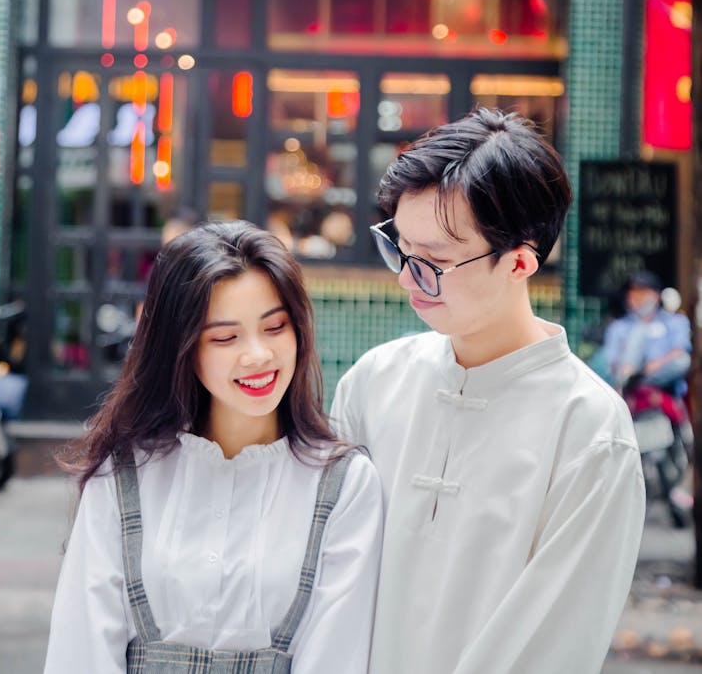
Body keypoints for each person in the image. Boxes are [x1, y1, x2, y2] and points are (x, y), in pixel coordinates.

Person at [331, 107, 645, 674]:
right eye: (399, 248)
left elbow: (554, 639)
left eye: (434, 262)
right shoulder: (373, 383)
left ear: (520, 261)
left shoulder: (590, 432)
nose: (406, 278)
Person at [44, 220, 382, 674]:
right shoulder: (125, 471)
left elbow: (336, 656)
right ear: (180, 348)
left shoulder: (343, 484)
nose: (258, 354)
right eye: (225, 337)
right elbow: (81, 651)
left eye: (276, 327)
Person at [603, 269, 692, 394]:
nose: (636, 298)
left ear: (657, 295)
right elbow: (610, 362)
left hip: (662, 384)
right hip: (624, 380)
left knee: (683, 361)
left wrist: (648, 369)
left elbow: (680, 351)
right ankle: (630, 385)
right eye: (633, 292)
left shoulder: (676, 321)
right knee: (639, 330)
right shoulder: (618, 326)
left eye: (642, 292)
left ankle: (635, 384)